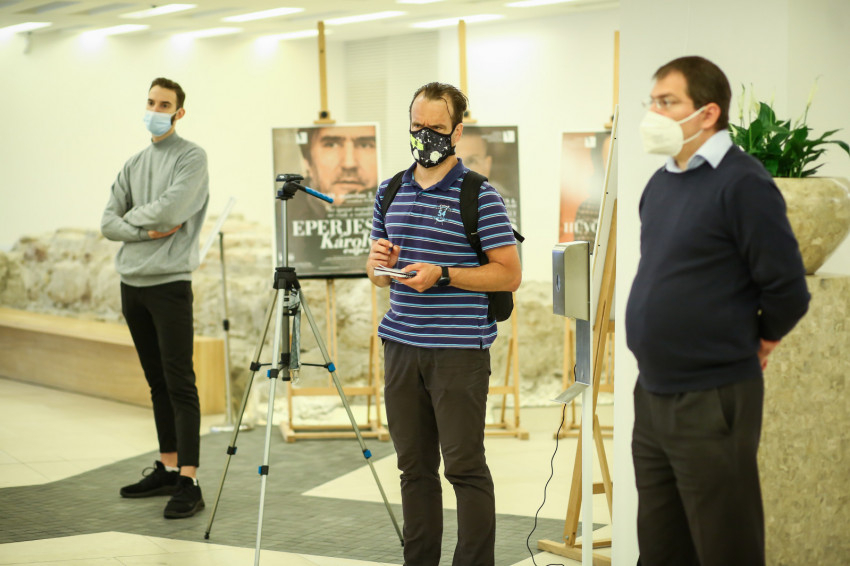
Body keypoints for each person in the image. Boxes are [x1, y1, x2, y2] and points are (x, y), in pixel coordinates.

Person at [625, 56, 811, 565]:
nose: (654, 113)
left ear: (707, 113)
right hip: (653, 393)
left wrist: (762, 340)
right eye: (652, 101)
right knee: (661, 547)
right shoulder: (661, 183)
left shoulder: (743, 183)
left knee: (725, 545)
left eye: (668, 102)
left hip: (712, 395)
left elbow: (788, 288)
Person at [366, 82, 522, 566]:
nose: (424, 135)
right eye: (417, 126)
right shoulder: (390, 190)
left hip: (458, 351)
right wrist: (377, 265)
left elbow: (509, 274)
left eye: (435, 127)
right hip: (400, 346)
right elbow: (378, 274)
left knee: (464, 468)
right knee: (413, 469)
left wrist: (445, 273)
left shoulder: (480, 195)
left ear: (457, 131)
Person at [101, 77, 209, 520]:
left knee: (180, 380)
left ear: (179, 112)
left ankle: (189, 480)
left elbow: (172, 210)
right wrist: (145, 231)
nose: (155, 110)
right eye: (151, 102)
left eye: (164, 104)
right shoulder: (134, 163)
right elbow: (107, 222)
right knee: (157, 382)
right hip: (133, 284)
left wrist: (132, 220)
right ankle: (167, 466)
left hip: (169, 284)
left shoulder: (191, 157)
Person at [282, 125, 379, 276]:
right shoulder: (283, 215)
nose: (349, 164)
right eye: (331, 144)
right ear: (307, 161)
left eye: (365, 145)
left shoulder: (392, 212)